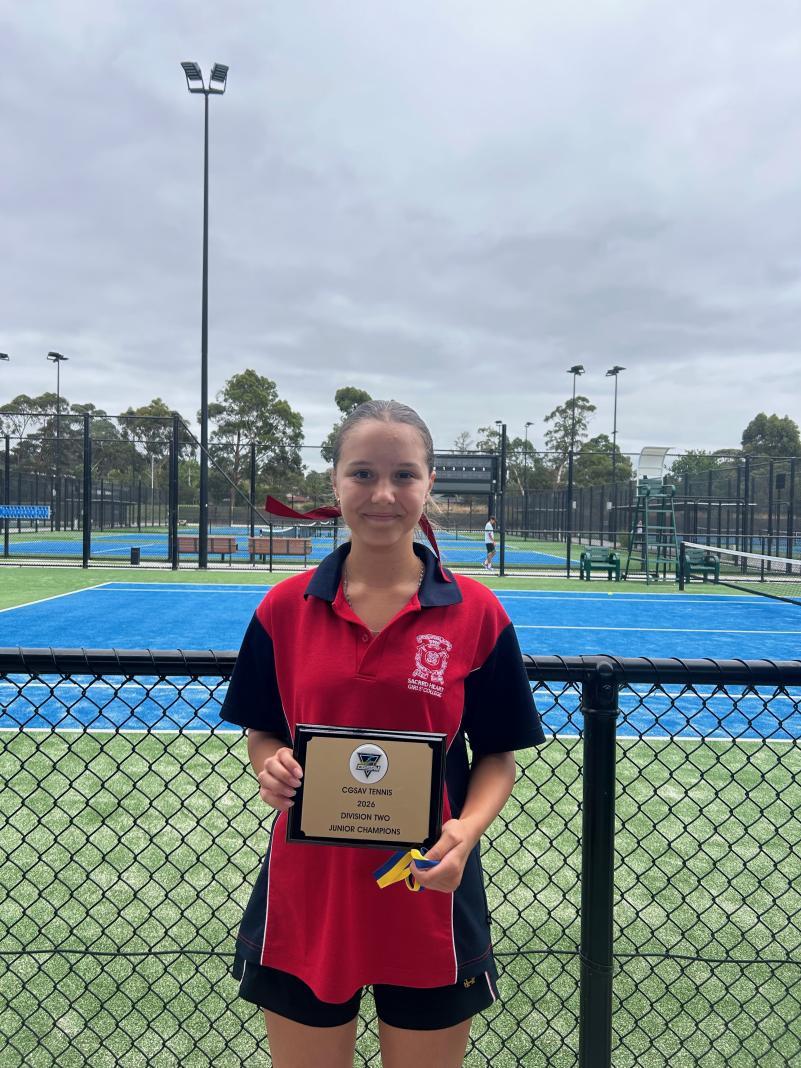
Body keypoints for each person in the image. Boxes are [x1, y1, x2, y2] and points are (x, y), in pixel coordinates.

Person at [220, 400, 545, 1068]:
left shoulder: (478, 614)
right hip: (310, 894)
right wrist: (270, 764)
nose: (383, 494)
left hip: (428, 889)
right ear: (335, 482)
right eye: (363, 474)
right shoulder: (282, 609)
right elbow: (264, 732)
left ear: (428, 484)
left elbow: (497, 756)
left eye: (403, 475)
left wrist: (465, 833)